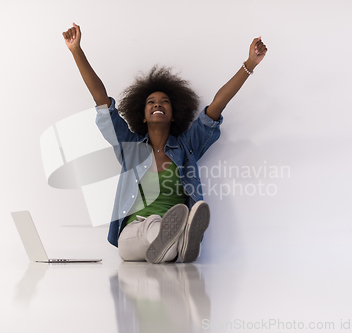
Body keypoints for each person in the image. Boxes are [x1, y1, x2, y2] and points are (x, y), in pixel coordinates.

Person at [63, 22, 267, 264]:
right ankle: (180, 240)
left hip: (164, 238)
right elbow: (102, 101)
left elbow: (217, 106)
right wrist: (76, 50)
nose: (157, 104)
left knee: (162, 242)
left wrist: (249, 64)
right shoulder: (129, 147)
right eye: (151, 102)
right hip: (133, 235)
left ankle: (174, 243)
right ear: (142, 114)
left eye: (164, 102)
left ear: (174, 113)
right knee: (153, 228)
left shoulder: (186, 147)